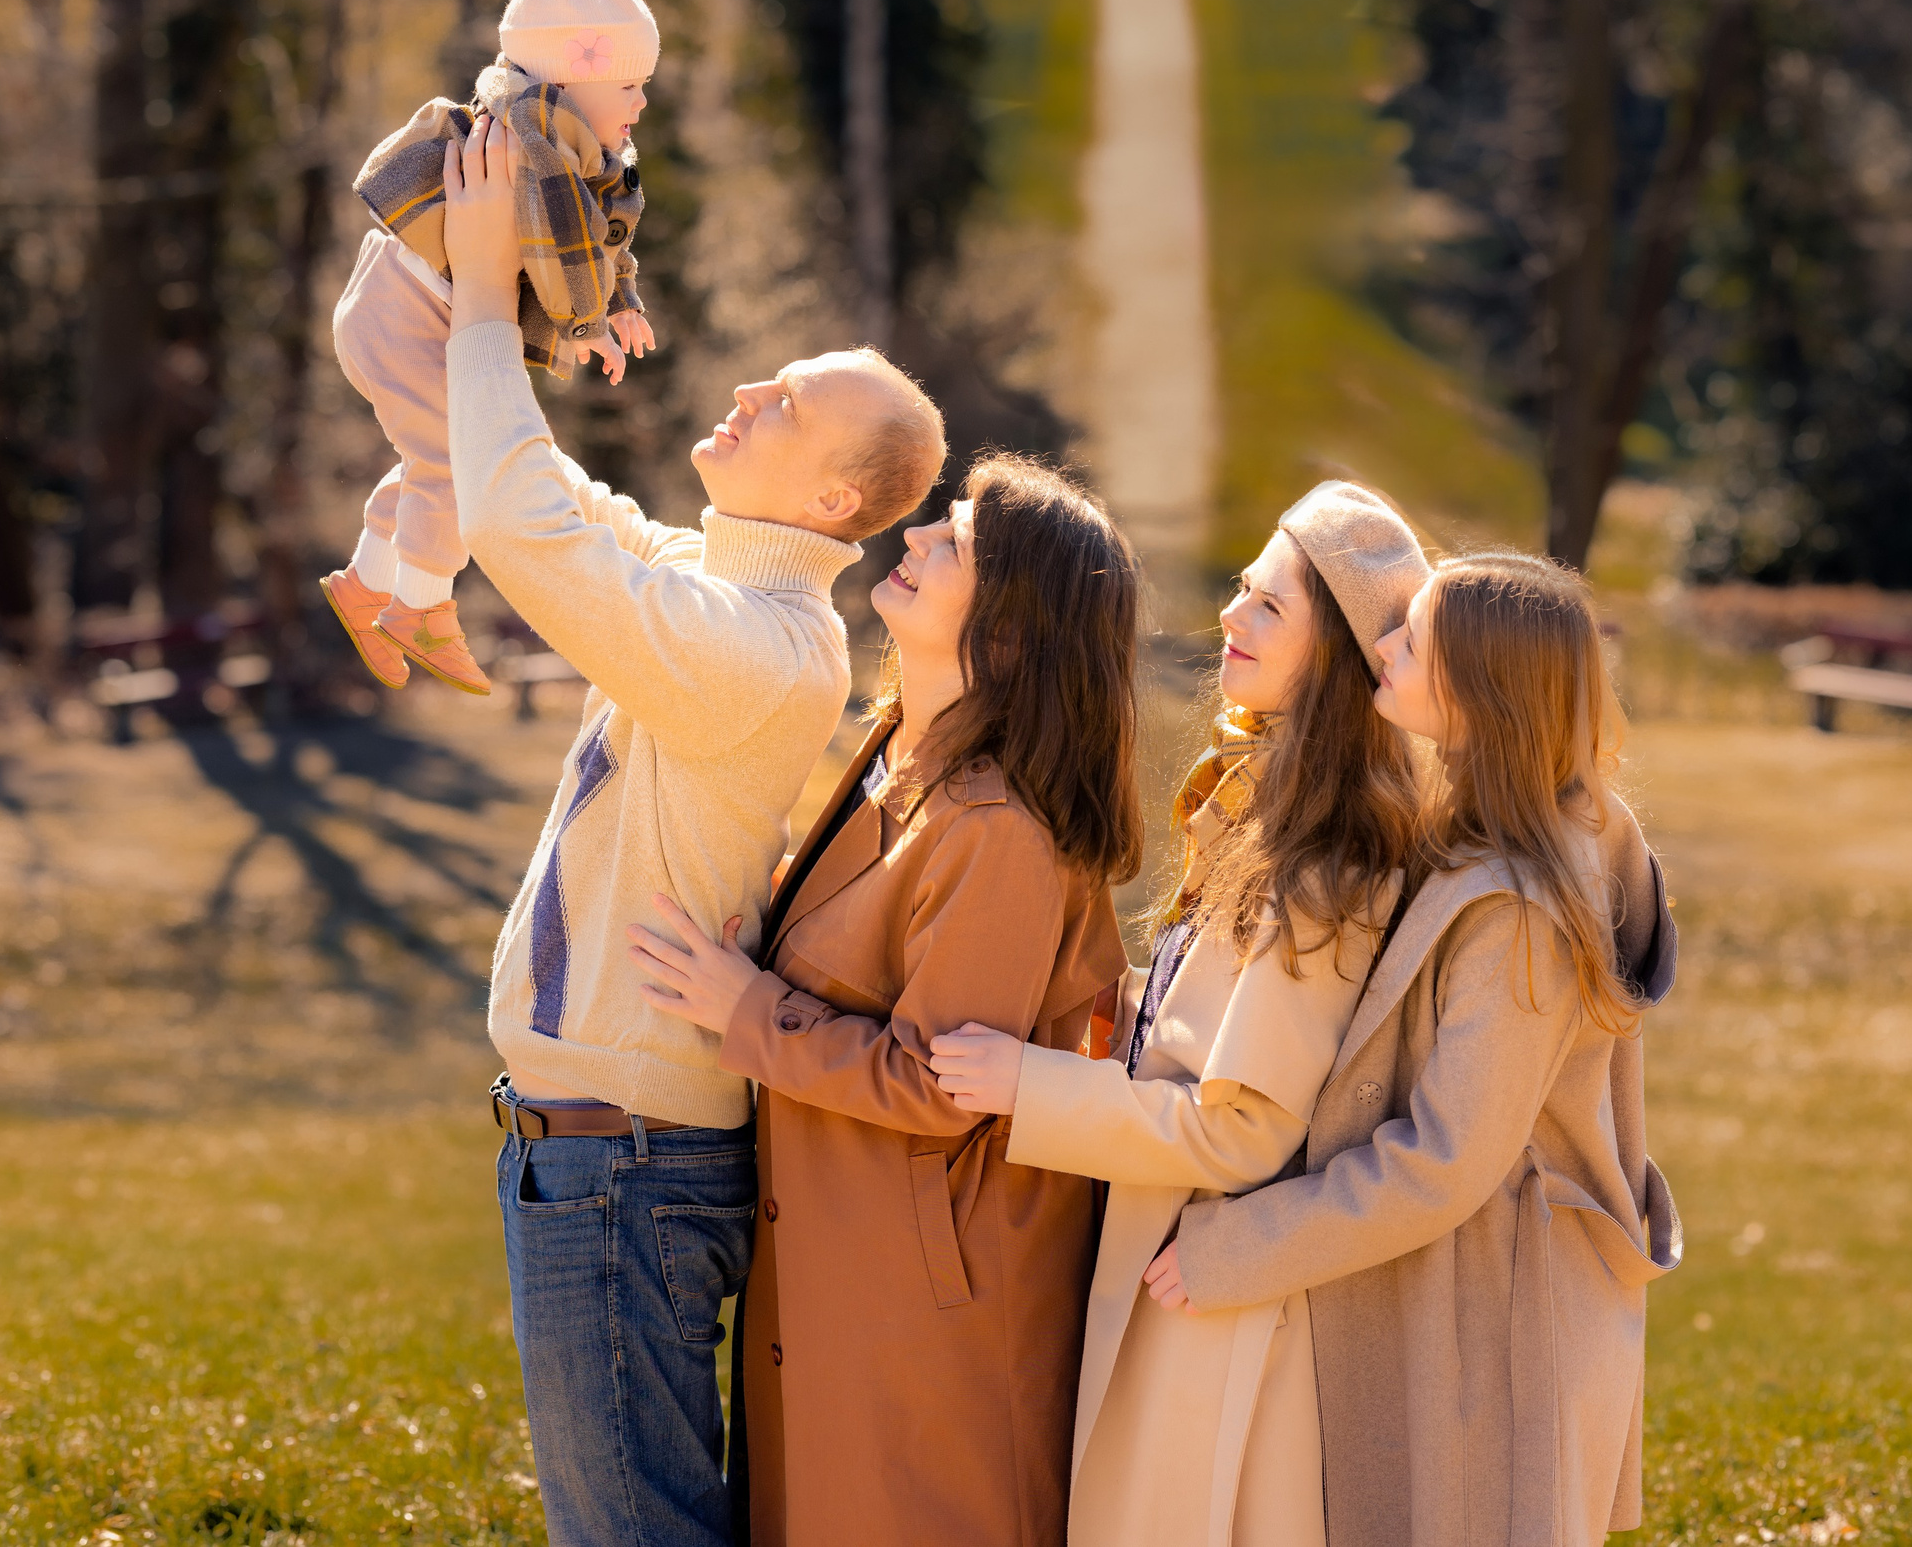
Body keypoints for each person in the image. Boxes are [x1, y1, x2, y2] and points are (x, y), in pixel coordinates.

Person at [437, 110, 949, 1547]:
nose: (746, 389)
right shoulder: (720, 596)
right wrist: (531, 310)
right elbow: (564, 507)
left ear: (836, 499)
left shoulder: (760, 649)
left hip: (625, 1166)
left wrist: (488, 294)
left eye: (786, 402)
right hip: (607, 1157)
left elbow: (526, 528)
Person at [626, 454, 1143, 1547]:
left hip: (928, 1312)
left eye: (953, 539)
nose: (913, 538)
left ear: (1011, 625)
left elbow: (940, 1079)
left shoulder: (999, 827)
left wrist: (745, 1008)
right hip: (837, 1273)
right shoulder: (895, 753)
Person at [927, 480, 1432, 1547]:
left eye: (1269, 606)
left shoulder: (1332, 860)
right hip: (1162, 1260)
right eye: (1241, 591)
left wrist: (1026, 1084)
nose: (1231, 618)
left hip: (1208, 1299)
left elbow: (1241, 1124)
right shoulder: (1265, 805)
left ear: (1338, 652)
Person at [1144, 550, 1682, 1547]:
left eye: (1411, 638)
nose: (1378, 647)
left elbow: (1444, 1161)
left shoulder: (1521, 907)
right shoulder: (1491, 835)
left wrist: (1238, 1247)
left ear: (1482, 690)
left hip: (1493, 1325)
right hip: (1459, 1297)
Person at [322, 0, 662, 696]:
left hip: (401, 311)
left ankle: (366, 585)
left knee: (435, 455)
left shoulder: (572, 139)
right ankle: (423, 609)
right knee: (456, 465)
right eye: (630, 84)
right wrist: (583, 321)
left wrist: (618, 306)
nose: (641, 103)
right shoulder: (535, 141)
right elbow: (561, 243)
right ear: (572, 78)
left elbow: (604, 235)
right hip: (401, 319)